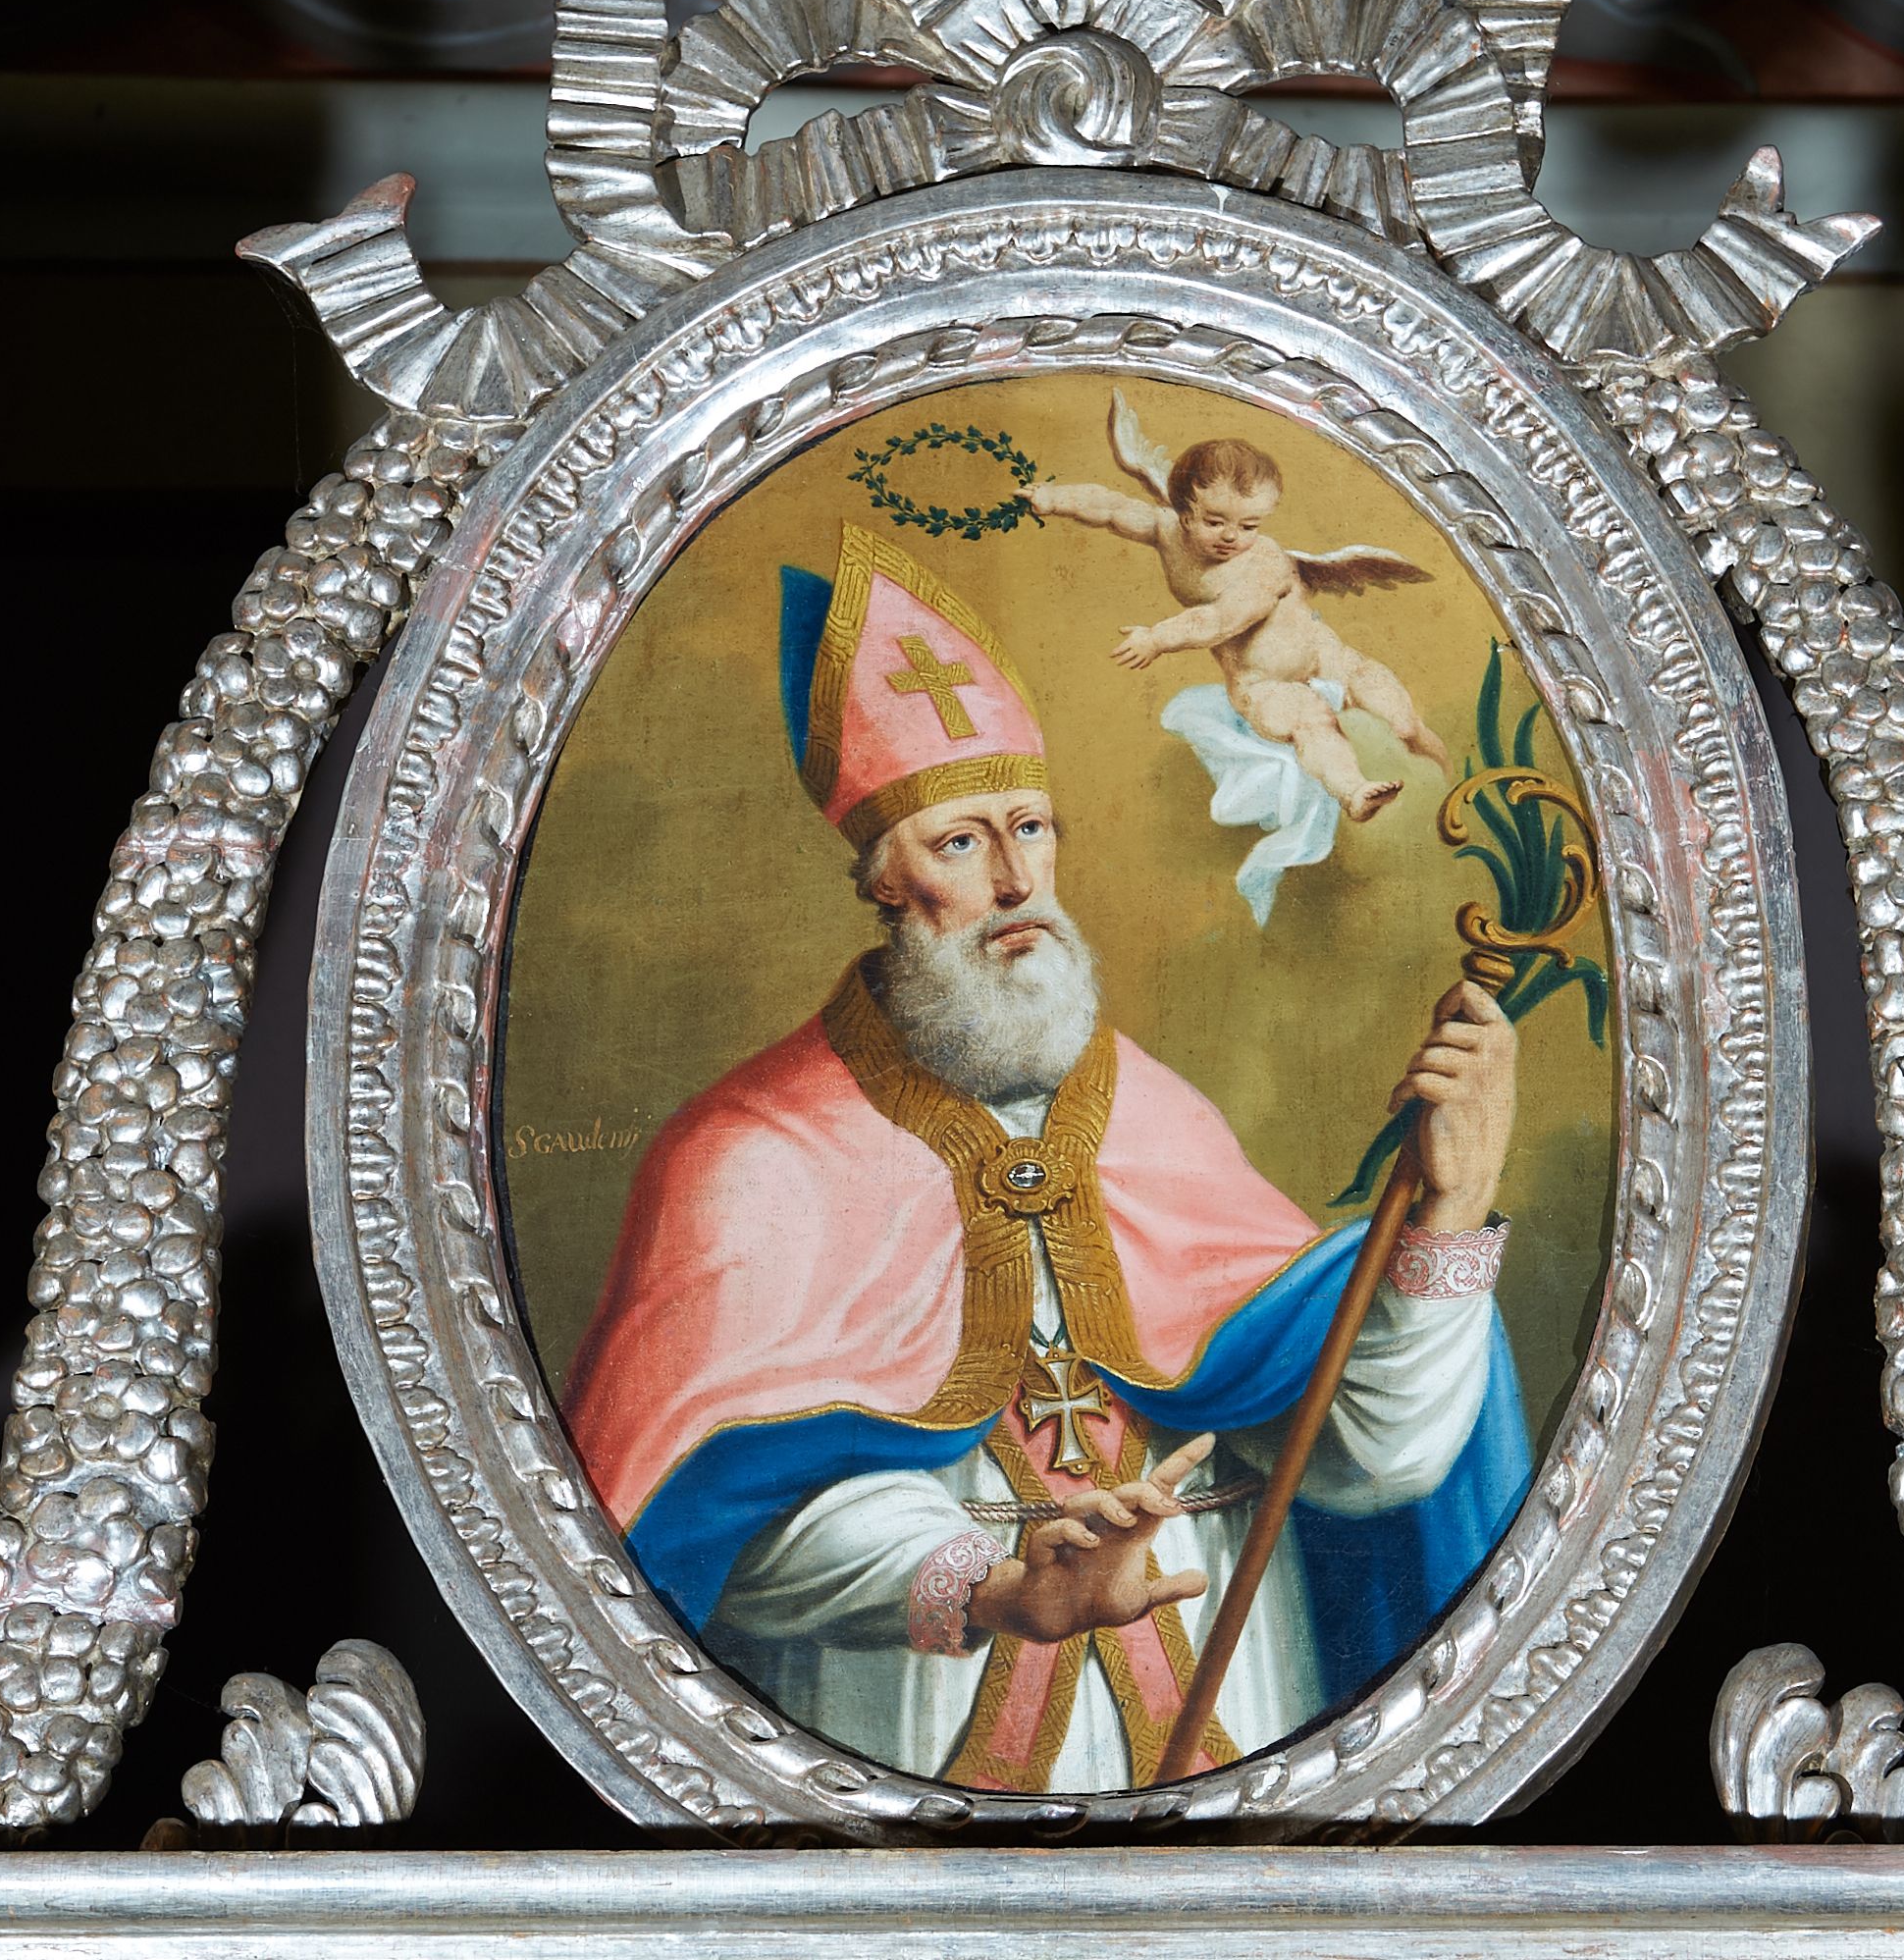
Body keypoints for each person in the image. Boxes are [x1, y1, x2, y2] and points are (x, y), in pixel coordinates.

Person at [561, 521, 1531, 1792]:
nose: (1019, 879)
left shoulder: (1156, 1118)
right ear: (884, 882)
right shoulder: (745, 1156)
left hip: (1232, 1695)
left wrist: (1448, 1215)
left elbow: (1371, 1461)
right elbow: (709, 1521)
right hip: (905, 1714)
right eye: (962, 842)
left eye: (1032, 827)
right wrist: (997, 1584)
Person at [1024, 388, 1448, 823]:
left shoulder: (1266, 562)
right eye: (1215, 521)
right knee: (1310, 721)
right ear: (1184, 512)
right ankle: (1354, 792)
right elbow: (1112, 509)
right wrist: (1054, 499)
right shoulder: (1166, 530)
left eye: (1248, 525)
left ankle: (1438, 764)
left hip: (1324, 655)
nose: (1231, 536)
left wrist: (1157, 638)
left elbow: (1222, 620)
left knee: (1393, 711)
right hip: (1258, 682)